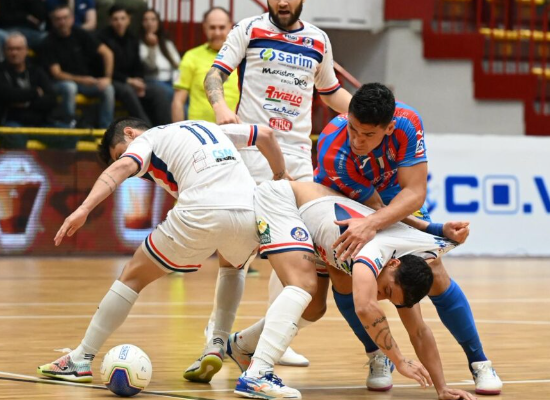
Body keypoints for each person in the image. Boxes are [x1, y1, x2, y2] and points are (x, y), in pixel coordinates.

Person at [36, 116, 289, 383]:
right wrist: (280, 176)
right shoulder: (209, 128)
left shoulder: (148, 138)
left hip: (201, 210)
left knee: (132, 276)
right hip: (250, 211)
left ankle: (80, 359)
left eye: (120, 151)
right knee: (233, 267)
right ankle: (216, 344)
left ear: (130, 133)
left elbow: (123, 167)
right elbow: (265, 135)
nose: (125, 159)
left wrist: (84, 208)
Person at [314, 82, 502, 395]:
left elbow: (413, 192)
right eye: (353, 129)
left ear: (388, 128)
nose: (357, 140)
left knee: (434, 270)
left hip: (392, 195)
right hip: (342, 197)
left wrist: (435, 230)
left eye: (368, 134)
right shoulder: (335, 149)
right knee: (345, 277)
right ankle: (377, 354)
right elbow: (374, 209)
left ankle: (479, 361)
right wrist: (428, 229)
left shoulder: (407, 122)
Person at [199, 0, 353, 369]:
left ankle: (273, 339)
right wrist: (221, 108)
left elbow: (331, 93)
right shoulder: (248, 29)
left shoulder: (318, 40)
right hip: (251, 154)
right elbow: (213, 76)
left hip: (298, 161)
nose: (283, 1)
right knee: (238, 249)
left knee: (296, 252)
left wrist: (375, 114)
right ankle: (216, 336)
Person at [226, 179, 477, 400]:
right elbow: (365, 307)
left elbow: (419, 331)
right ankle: (257, 374)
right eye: (386, 291)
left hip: (318, 229)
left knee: (313, 309)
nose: (381, 296)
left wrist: (442, 388)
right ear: (393, 263)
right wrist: (399, 361)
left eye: (389, 298)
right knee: (303, 285)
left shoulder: (410, 262)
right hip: (285, 201)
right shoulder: (372, 252)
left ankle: (241, 345)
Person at [40, 4, 114, 129]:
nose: (62, 22)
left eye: (65, 18)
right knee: (70, 87)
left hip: (86, 82)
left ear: (72, 19)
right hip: (58, 83)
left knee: (108, 88)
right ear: (52, 22)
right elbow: (57, 74)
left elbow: (107, 53)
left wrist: (107, 77)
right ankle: (69, 125)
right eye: (58, 19)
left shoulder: (81, 34)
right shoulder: (48, 42)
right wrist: (82, 80)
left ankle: (106, 129)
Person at [99, 6, 171, 127]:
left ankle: (165, 129)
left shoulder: (132, 39)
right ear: (110, 21)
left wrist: (139, 81)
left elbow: (138, 65)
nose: (119, 22)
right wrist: (129, 81)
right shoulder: (102, 38)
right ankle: (146, 128)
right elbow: (102, 69)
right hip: (112, 80)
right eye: (115, 19)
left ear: (129, 20)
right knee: (127, 91)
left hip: (132, 81)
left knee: (159, 92)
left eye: (123, 18)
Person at [171, 7, 239, 123]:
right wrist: (177, 131)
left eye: (222, 27)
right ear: (204, 28)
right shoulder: (191, 56)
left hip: (236, 129)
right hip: (199, 130)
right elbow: (178, 102)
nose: (217, 33)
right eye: (212, 28)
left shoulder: (241, 57)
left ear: (230, 27)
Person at [0, 33, 57, 149]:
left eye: (18, 49)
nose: (14, 53)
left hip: (39, 123)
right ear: (4, 51)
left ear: (26, 50)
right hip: (11, 122)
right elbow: (6, 94)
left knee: (67, 136)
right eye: (10, 49)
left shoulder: (36, 70)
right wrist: (35, 93)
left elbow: (51, 99)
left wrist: (24, 102)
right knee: (14, 137)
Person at [139, 8, 180, 101]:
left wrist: (177, 83)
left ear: (158, 23)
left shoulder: (166, 43)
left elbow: (177, 65)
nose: (149, 23)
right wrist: (152, 47)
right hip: (153, 81)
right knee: (175, 97)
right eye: (146, 20)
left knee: (185, 94)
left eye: (153, 19)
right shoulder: (140, 44)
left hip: (171, 81)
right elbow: (151, 67)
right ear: (142, 23)